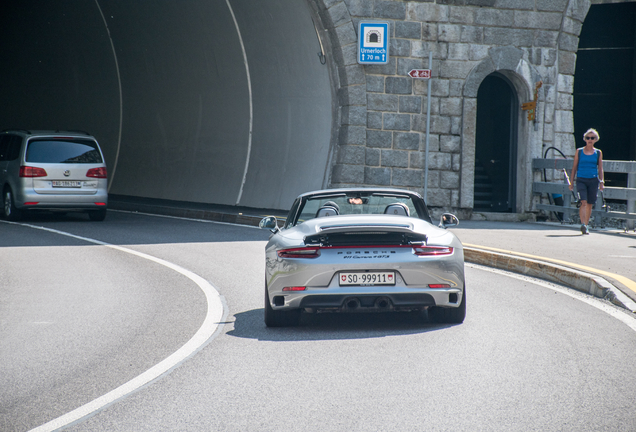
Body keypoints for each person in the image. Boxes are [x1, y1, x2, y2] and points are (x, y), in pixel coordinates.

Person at [569, 128, 604, 235]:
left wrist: (602, 181)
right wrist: (571, 182)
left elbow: (600, 168)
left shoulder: (598, 152)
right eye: (588, 138)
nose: (590, 140)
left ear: (595, 140)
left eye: (592, 138)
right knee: (583, 202)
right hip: (581, 179)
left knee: (589, 203)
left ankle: (586, 224)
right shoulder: (579, 151)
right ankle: (583, 224)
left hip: (593, 180)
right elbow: (574, 167)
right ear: (585, 139)